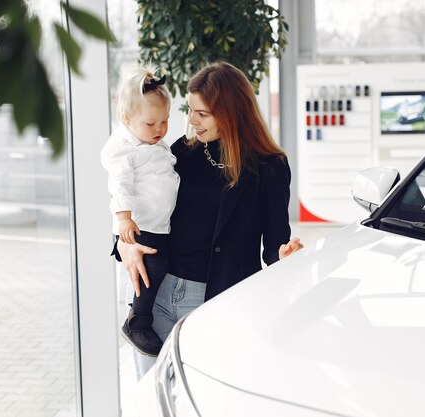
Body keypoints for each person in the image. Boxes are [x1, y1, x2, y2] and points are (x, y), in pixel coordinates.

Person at [118, 61, 303, 377]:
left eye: (201, 114)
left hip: (217, 299)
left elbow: (274, 245)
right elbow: (138, 200)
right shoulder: (182, 152)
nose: (191, 121)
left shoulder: (270, 167)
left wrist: (285, 255)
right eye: (190, 111)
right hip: (155, 293)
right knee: (152, 397)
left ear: (231, 112)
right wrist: (124, 246)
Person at [100, 66, 180, 356]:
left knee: (160, 268)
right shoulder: (123, 148)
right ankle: (137, 321)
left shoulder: (153, 143)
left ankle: (142, 317)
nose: (160, 129)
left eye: (165, 121)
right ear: (126, 119)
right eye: (151, 123)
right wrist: (124, 217)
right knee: (150, 271)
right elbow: (119, 183)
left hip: (158, 226)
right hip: (138, 226)